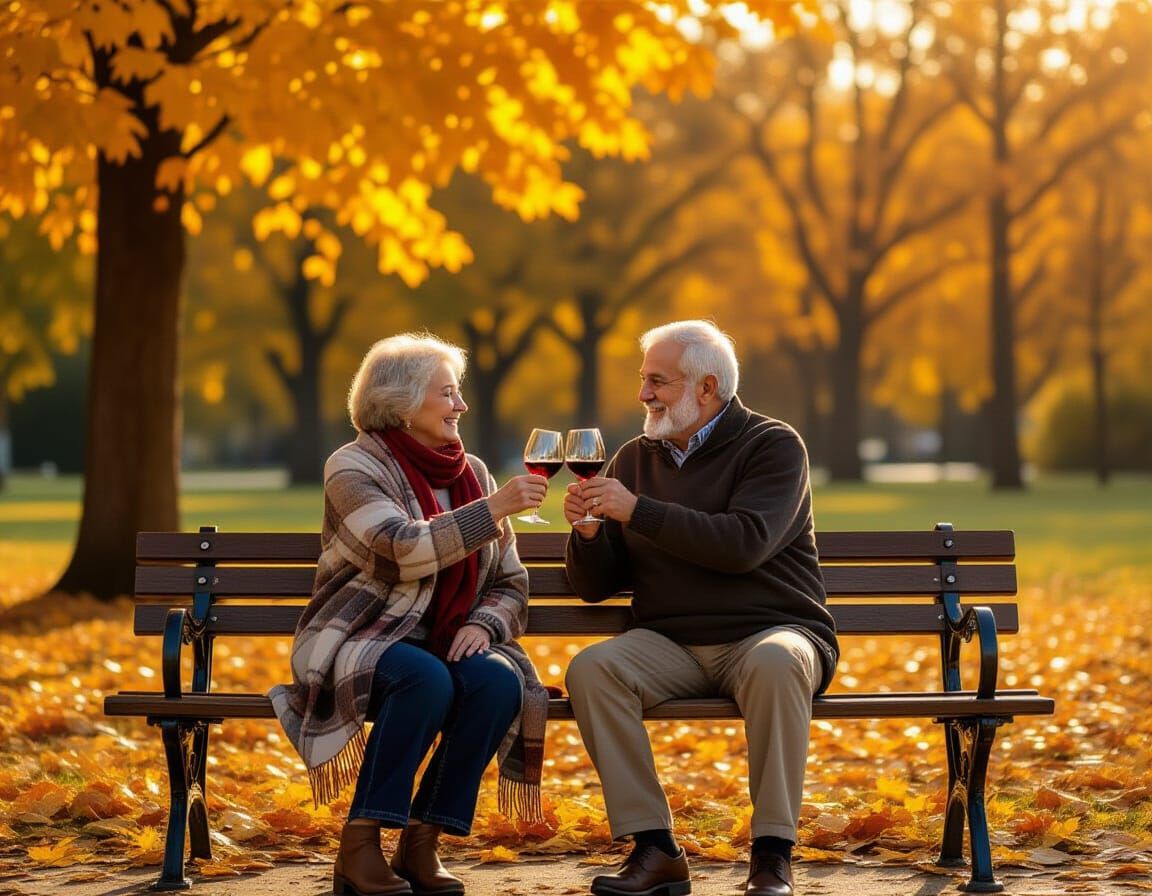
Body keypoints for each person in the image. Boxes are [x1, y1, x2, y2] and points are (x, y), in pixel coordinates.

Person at [562, 320, 839, 896]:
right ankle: (654, 848)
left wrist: (636, 512)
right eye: (643, 380)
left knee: (776, 663)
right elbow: (596, 586)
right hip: (670, 643)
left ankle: (771, 856)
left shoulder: (773, 445)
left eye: (657, 382)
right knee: (593, 669)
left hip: (771, 632)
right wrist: (589, 532)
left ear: (706, 387)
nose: (643, 395)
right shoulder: (635, 456)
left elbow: (743, 544)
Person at [270, 333, 550, 896]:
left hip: (447, 638)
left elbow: (509, 582)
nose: (461, 407)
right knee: (425, 679)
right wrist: (491, 510)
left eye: (459, 394)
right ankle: (361, 843)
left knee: (497, 682)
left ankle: (422, 842)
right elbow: (399, 550)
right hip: (359, 634)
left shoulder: (471, 472)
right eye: (448, 394)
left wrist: (483, 624)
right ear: (400, 404)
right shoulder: (352, 467)